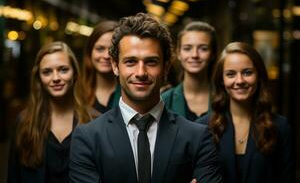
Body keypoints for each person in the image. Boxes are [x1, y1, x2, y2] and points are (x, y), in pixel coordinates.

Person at [69, 13, 222, 183]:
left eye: (151, 62)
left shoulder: (197, 137)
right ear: (115, 66)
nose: (141, 73)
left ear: (165, 67)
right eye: (130, 62)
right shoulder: (87, 138)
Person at [196, 42, 294, 183]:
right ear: (222, 81)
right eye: (230, 74)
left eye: (247, 72)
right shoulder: (202, 128)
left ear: (259, 76)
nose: (240, 80)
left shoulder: (280, 127)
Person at [7, 41, 91, 182]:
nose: (56, 78)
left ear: (75, 73)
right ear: (39, 78)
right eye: (47, 72)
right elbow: (13, 177)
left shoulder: (94, 121)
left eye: (63, 69)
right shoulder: (24, 123)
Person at [162, 21, 218, 121]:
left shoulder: (224, 97)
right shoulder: (164, 100)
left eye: (203, 49)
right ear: (178, 53)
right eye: (187, 48)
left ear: (213, 54)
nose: (194, 55)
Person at [82, 20, 121, 117]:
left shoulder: (130, 93)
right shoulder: (77, 92)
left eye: (112, 50)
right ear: (90, 52)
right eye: (100, 49)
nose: (106, 56)